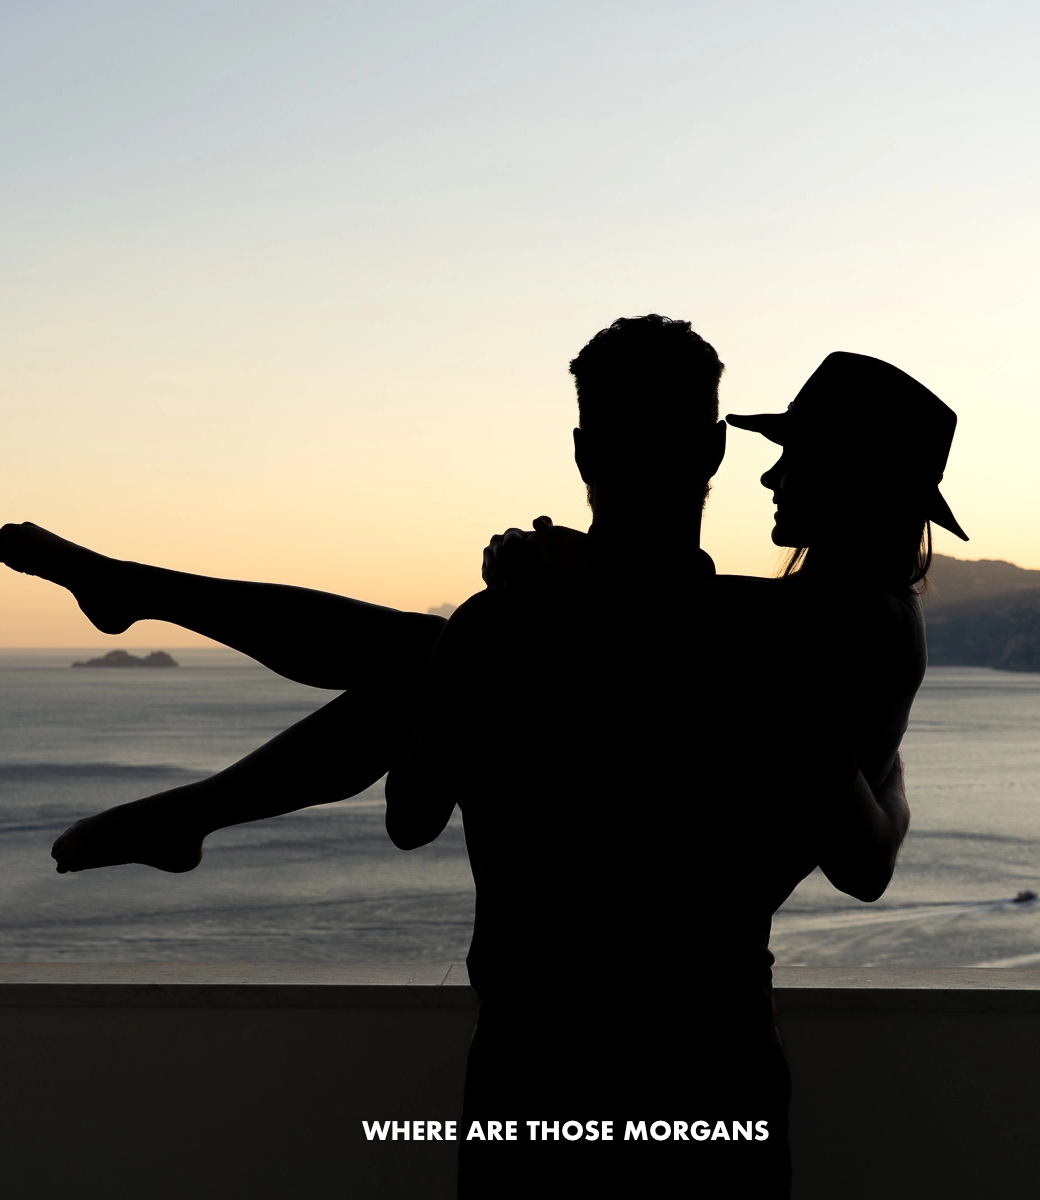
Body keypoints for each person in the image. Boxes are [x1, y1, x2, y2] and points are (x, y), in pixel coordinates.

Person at [383, 340, 965, 1197]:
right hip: (715, 1060)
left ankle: (171, 698)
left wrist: (500, 626)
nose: (773, 478)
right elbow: (863, 851)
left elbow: (409, 817)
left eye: (794, 458)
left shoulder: (778, 636)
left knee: (394, 651)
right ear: (714, 451)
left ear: (584, 451)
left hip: (537, 1066)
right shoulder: (787, 627)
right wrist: (891, 783)